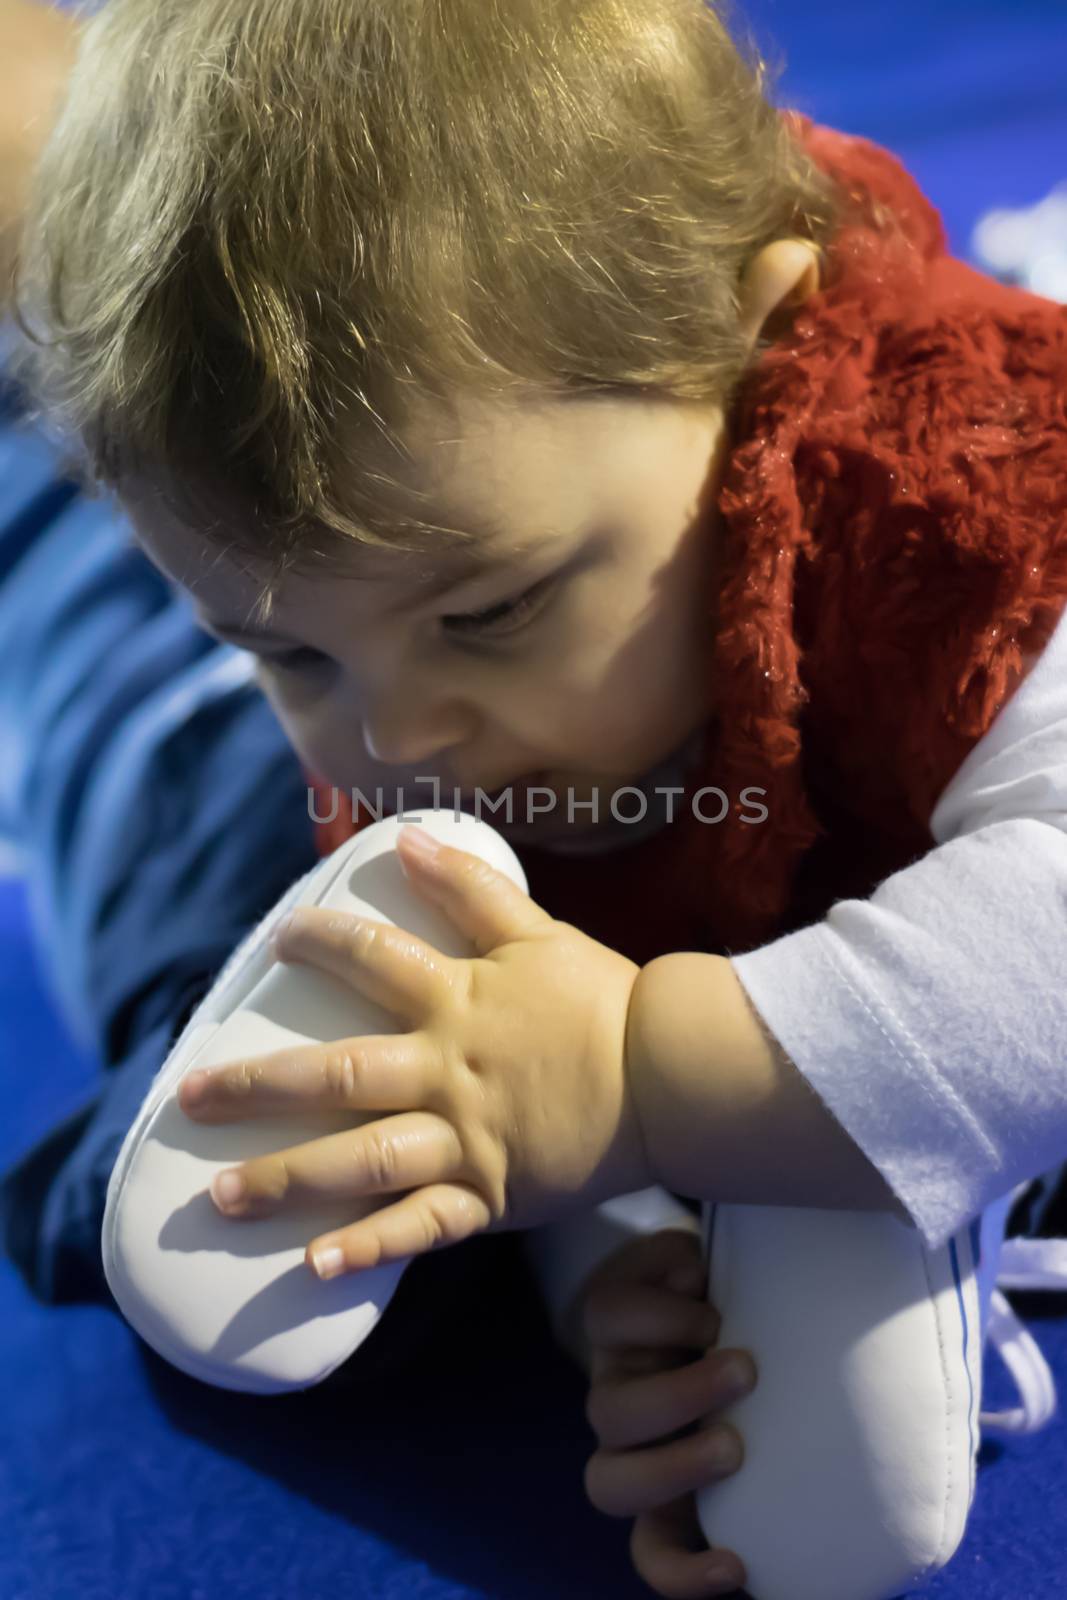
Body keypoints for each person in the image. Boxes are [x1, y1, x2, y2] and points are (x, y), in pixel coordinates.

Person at [4, 1, 1067, 1596]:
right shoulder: (422, 632)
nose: (402, 735)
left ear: (755, 341)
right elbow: (523, 1063)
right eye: (289, 658)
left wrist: (638, 1079)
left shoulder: (975, 512)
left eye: (494, 611)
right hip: (168, 706)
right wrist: (605, 1250)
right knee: (89, 586)